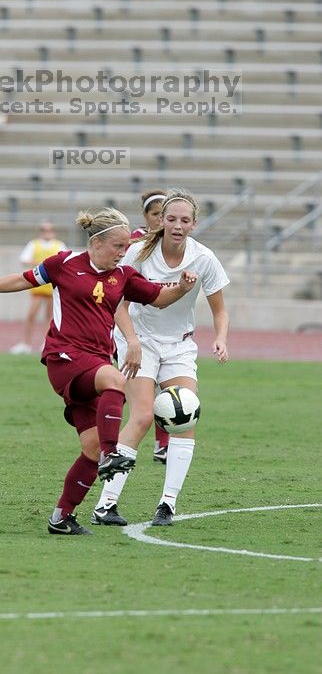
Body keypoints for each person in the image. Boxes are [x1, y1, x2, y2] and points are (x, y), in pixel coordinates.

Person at [0, 207, 197, 535]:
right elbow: (24, 279)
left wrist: (183, 288)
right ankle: (111, 455)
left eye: (126, 246)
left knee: (90, 445)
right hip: (64, 358)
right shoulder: (64, 263)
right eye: (117, 245)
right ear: (96, 243)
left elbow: (158, 298)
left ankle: (62, 517)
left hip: (96, 362)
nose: (122, 251)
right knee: (116, 380)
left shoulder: (124, 275)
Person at [92, 188, 229, 528]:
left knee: (186, 417)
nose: (177, 225)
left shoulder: (203, 258)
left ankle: (167, 505)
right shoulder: (138, 253)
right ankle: (105, 504)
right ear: (161, 222)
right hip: (140, 343)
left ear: (194, 224)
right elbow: (118, 303)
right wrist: (133, 341)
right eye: (171, 219)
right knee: (140, 417)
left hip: (179, 345)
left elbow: (220, 309)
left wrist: (221, 338)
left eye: (185, 220)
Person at [131, 190, 171, 464]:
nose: (161, 220)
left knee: (164, 389)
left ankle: (163, 444)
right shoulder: (134, 242)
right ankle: (109, 440)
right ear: (146, 217)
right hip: (132, 328)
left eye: (164, 215)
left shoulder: (176, 245)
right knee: (124, 388)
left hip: (164, 327)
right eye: (156, 214)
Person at [10, 221, 67, 354]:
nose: (47, 232)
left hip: (52, 286)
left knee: (50, 317)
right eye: (44, 230)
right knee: (31, 315)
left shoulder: (59, 245)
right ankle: (26, 343)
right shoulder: (34, 244)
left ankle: (46, 343)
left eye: (49, 230)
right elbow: (24, 259)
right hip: (37, 285)